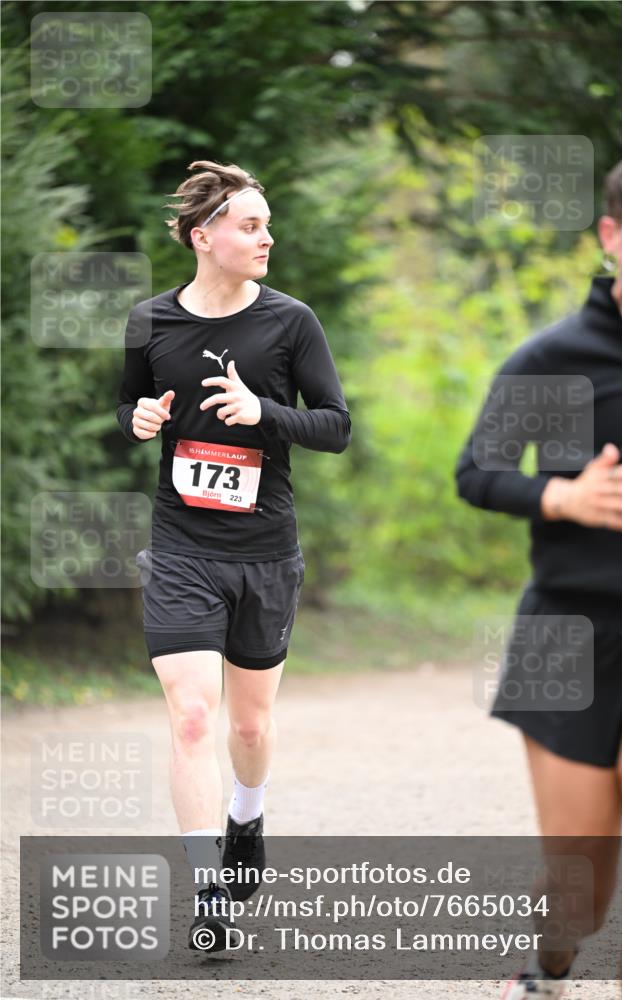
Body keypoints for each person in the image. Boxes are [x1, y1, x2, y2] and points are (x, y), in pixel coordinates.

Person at [116, 160, 351, 951]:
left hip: (264, 550)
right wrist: (140, 418)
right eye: (250, 226)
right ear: (201, 236)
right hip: (181, 545)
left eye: (266, 224)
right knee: (190, 716)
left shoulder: (290, 323)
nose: (266, 238)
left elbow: (337, 426)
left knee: (249, 726)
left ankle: (247, 817)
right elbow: (128, 400)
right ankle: (207, 892)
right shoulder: (150, 322)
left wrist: (264, 412)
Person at [455, 151, 622, 999]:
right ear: (611, 235)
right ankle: (543, 967)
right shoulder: (559, 358)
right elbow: (478, 472)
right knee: (581, 884)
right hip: (565, 637)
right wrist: (563, 498)